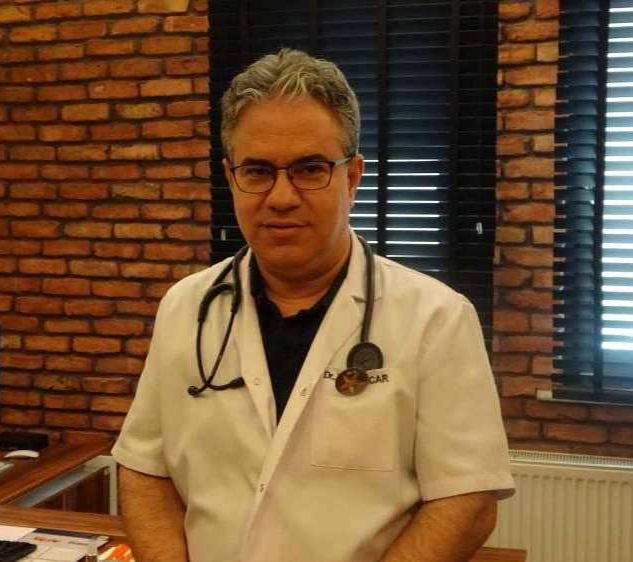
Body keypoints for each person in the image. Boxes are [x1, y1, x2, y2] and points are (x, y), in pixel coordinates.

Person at [111, 48, 514, 562]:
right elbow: (145, 469)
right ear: (231, 177)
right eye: (258, 171)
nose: (281, 197)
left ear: (352, 176)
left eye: (309, 168)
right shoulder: (185, 309)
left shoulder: (436, 319)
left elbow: (467, 499)